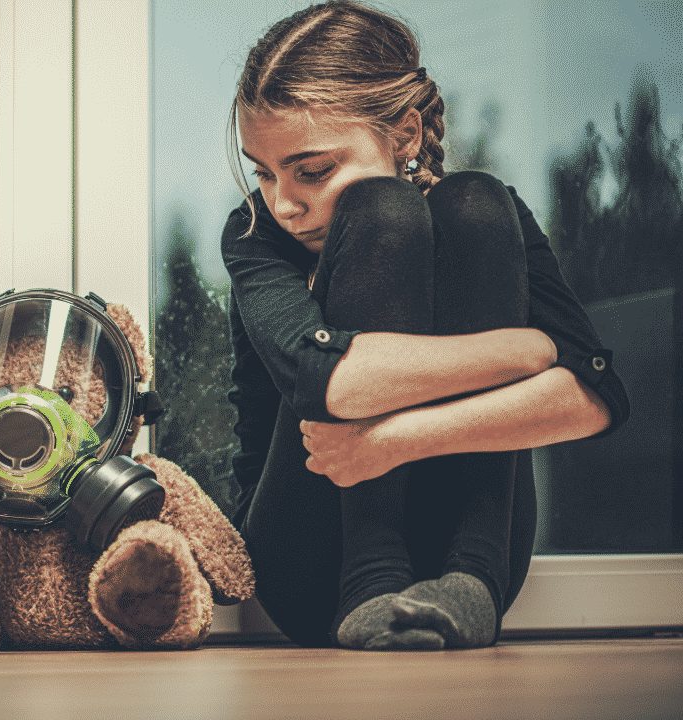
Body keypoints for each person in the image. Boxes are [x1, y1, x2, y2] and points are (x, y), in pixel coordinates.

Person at [222, 0, 631, 650]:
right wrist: (521, 350)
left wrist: (394, 442)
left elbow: (594, 396)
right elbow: (330, 384)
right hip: (310, 563)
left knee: (474, 199)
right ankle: (371, 580)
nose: (284, 201)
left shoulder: (493, 222)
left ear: (405, 135)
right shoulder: (256, 235)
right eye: (263, 171)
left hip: (468, 562)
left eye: (313, 170)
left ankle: (469, 579)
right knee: (382, 210)